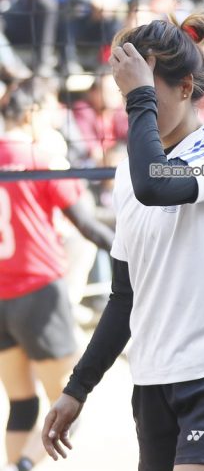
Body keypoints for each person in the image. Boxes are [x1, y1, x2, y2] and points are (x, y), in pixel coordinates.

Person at [41, 13, 204, 470]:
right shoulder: (129, 170)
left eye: (143, 93)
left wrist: (140, 95)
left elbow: (156, 185)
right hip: (153, 384)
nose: (134, 108)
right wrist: (77, 388)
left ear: (185, 88)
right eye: (127, 94)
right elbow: (124, 296)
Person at [0, 78, 114, 471]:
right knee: (70, 404)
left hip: (1, 297)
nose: (53, 122)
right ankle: (23, 465)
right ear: (31, 114)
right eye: (49, 112)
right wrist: (133, 253)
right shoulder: (39, 158)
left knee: (21, 404)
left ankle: (17, 463)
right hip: (39, 294)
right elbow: (88, 225)